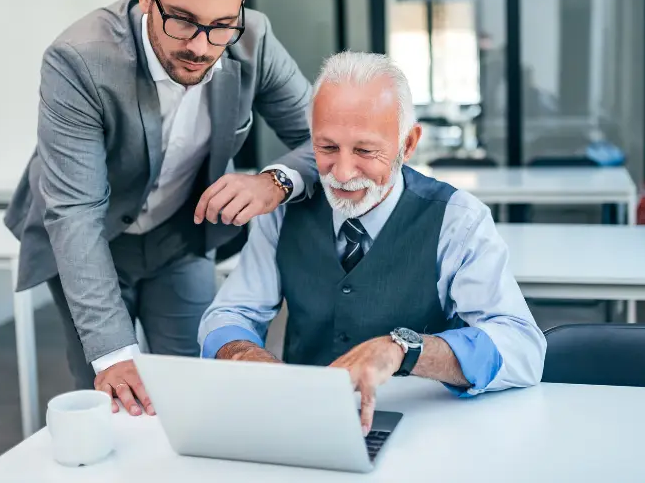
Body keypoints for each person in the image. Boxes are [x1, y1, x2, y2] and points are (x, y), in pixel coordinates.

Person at [4, 0, 317, 416]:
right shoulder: (78, 60)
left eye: (220, 26)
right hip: (92, 239)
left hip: (180, 235)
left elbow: (319, 138)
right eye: (184, 21)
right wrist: (115, 355)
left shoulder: (253, 38)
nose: (201, 46)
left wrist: (275, 181)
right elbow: (77, 213)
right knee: (113, 395)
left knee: (195, 385)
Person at [197, 51, 546, 433]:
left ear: (407, 144)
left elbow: (522, 347)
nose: (343, 173)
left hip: (429, 429)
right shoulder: (282, 214)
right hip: (308, 425)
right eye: (327, 148)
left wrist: (406, 349)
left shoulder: (458, 219)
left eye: (365, 151)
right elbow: (229, 314)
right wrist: (245, 356)